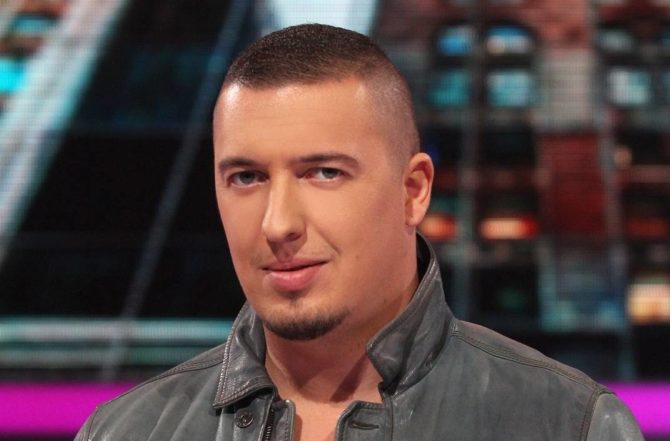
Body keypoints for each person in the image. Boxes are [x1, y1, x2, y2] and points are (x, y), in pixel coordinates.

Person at [75, 24, 643, 441]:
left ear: (413, 191)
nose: (278, 224)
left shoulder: (569, 425)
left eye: (324, 173)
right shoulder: (125, 431)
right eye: (246, 177)